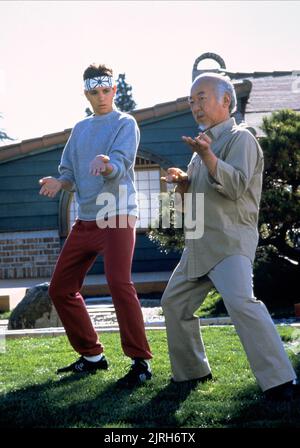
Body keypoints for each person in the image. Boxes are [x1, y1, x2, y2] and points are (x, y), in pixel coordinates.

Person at [161, 72, 299, 401]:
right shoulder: (199, 150)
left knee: (241, 303)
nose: (195, 106)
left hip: (229, 243)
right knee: (173, 303)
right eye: (191, 101)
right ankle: (193, 372)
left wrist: (208, 157)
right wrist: (182, 185)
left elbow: (236, 187)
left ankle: (281, 381)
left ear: (226, 101)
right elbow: (189, 208)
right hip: (198, 245)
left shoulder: (242, 139)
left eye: (202, 98)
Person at [39, 63, 152, 387]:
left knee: (119, 283)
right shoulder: (80, 129)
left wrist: (106, 165)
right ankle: (92, 356)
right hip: (86, 220)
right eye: (94, 91)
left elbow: (120, 163)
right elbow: (70, 173)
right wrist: (59, 183)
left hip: (117, 215)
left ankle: (140, 361)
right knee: (60, 288)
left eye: (106, 90)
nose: (100, 97)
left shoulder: (125, 123)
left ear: (113, 91)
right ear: (86, 93)